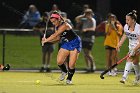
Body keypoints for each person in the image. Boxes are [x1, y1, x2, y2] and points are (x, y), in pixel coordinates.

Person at [42, 11, 82, 84]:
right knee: (59, 61)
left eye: (54, 21)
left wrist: (45, 40)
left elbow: (54, 35)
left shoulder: (65, 25)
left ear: (59, 19)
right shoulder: (56, 26)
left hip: (75, 42)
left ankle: (69, 79)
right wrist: (47, 42)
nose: (53, 23)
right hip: (66, 43)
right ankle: (64, 71)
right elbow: (57, 38)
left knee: (71, 64)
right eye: (52, 22)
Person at [117, 10, 140, 84]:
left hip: (138, 46)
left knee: (130, 58)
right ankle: (138, 77)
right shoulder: (126, 27)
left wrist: (135, 49)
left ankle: (124, 78)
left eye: (128, 20)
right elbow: (125, 35)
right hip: (131, 47)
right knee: (135, 63)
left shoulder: (138, 28)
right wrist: (119, 44)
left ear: (133, 20)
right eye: (126, 19)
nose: (126, 21)